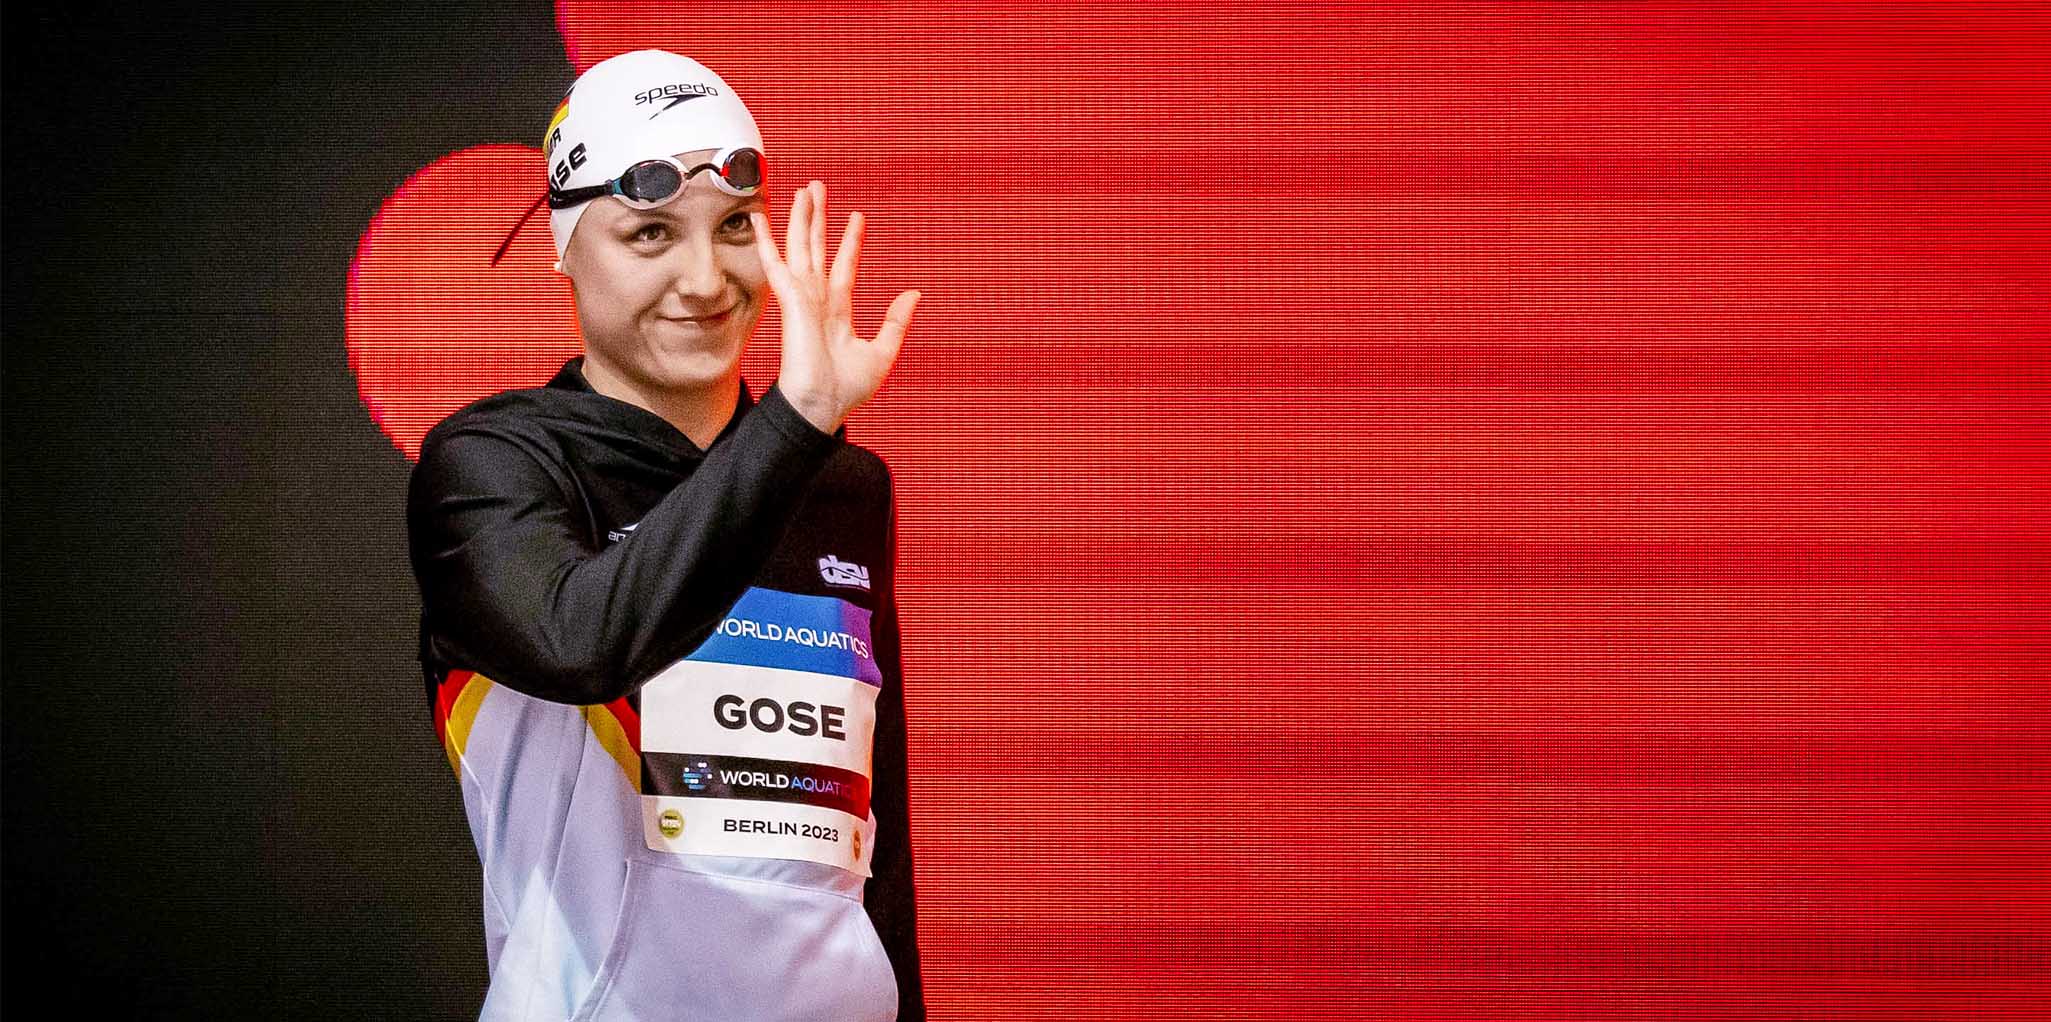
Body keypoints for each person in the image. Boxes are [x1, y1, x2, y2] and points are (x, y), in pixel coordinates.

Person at [406, 49, 926, 1021]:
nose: (705, 278)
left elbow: (871, 843)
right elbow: (580, 644)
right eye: (649, 232)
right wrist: (794, 425)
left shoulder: (838, 484)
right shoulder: (495, 464)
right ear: (565, 249)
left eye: (734, 225)